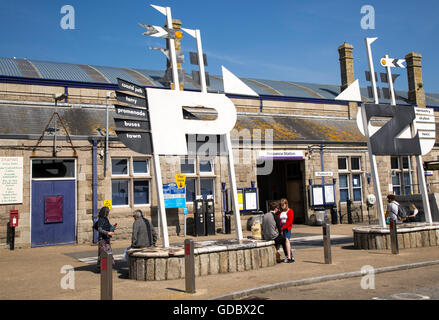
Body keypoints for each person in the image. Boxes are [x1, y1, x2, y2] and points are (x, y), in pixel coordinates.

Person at [95, 206, 117, 271]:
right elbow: (100, 229)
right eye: (107, 212)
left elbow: (109, 227)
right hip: (102, 239)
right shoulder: (101, 220)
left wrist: (113, 227)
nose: (108, 213)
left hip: (106, 239)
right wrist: (108, 233)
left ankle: (107, 266)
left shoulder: (106, 219)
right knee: (103, 253)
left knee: (108, 252)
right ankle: (102, 268)